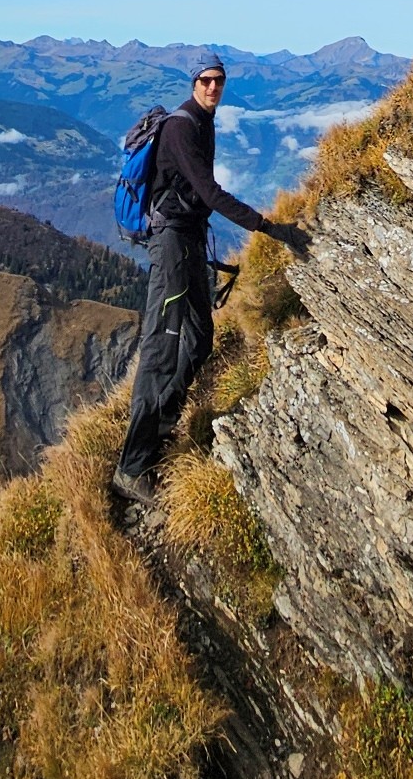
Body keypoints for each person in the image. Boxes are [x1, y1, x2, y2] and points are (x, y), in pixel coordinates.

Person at [112, 57, 311, 505]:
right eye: (206, 81)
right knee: (160, 351)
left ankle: (163, 422)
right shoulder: (184, 128)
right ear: (194, 83)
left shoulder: (206, 121)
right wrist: (269, 227)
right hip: (170, 247)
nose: (213, 88)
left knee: (199, 341)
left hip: (189, 241)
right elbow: (209, 192)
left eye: (219, 81)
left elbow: (198, 192)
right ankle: (132, 466)